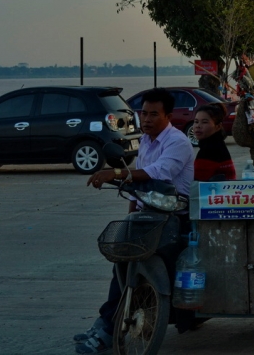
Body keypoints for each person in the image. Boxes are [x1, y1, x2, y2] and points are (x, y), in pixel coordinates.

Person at [74, 88, 194, 354]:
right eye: (144, 113)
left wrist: (114, 172)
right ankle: (107, 324)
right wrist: (131, 211)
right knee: (121, 266)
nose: (147, 119)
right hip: (144, 216)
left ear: (168, 116)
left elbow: (159, 173)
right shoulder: (146, 142)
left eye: (154, 114)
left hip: (173, 218)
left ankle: (106, 327)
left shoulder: (177, 142)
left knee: (138, 267)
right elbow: (136, 186)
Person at [192, 104, 236, 181]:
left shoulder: (211, 150)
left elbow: (199, 184)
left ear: (218, 126)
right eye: (196, 121)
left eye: (204, 122)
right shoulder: (214, 145)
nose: (198, 126)